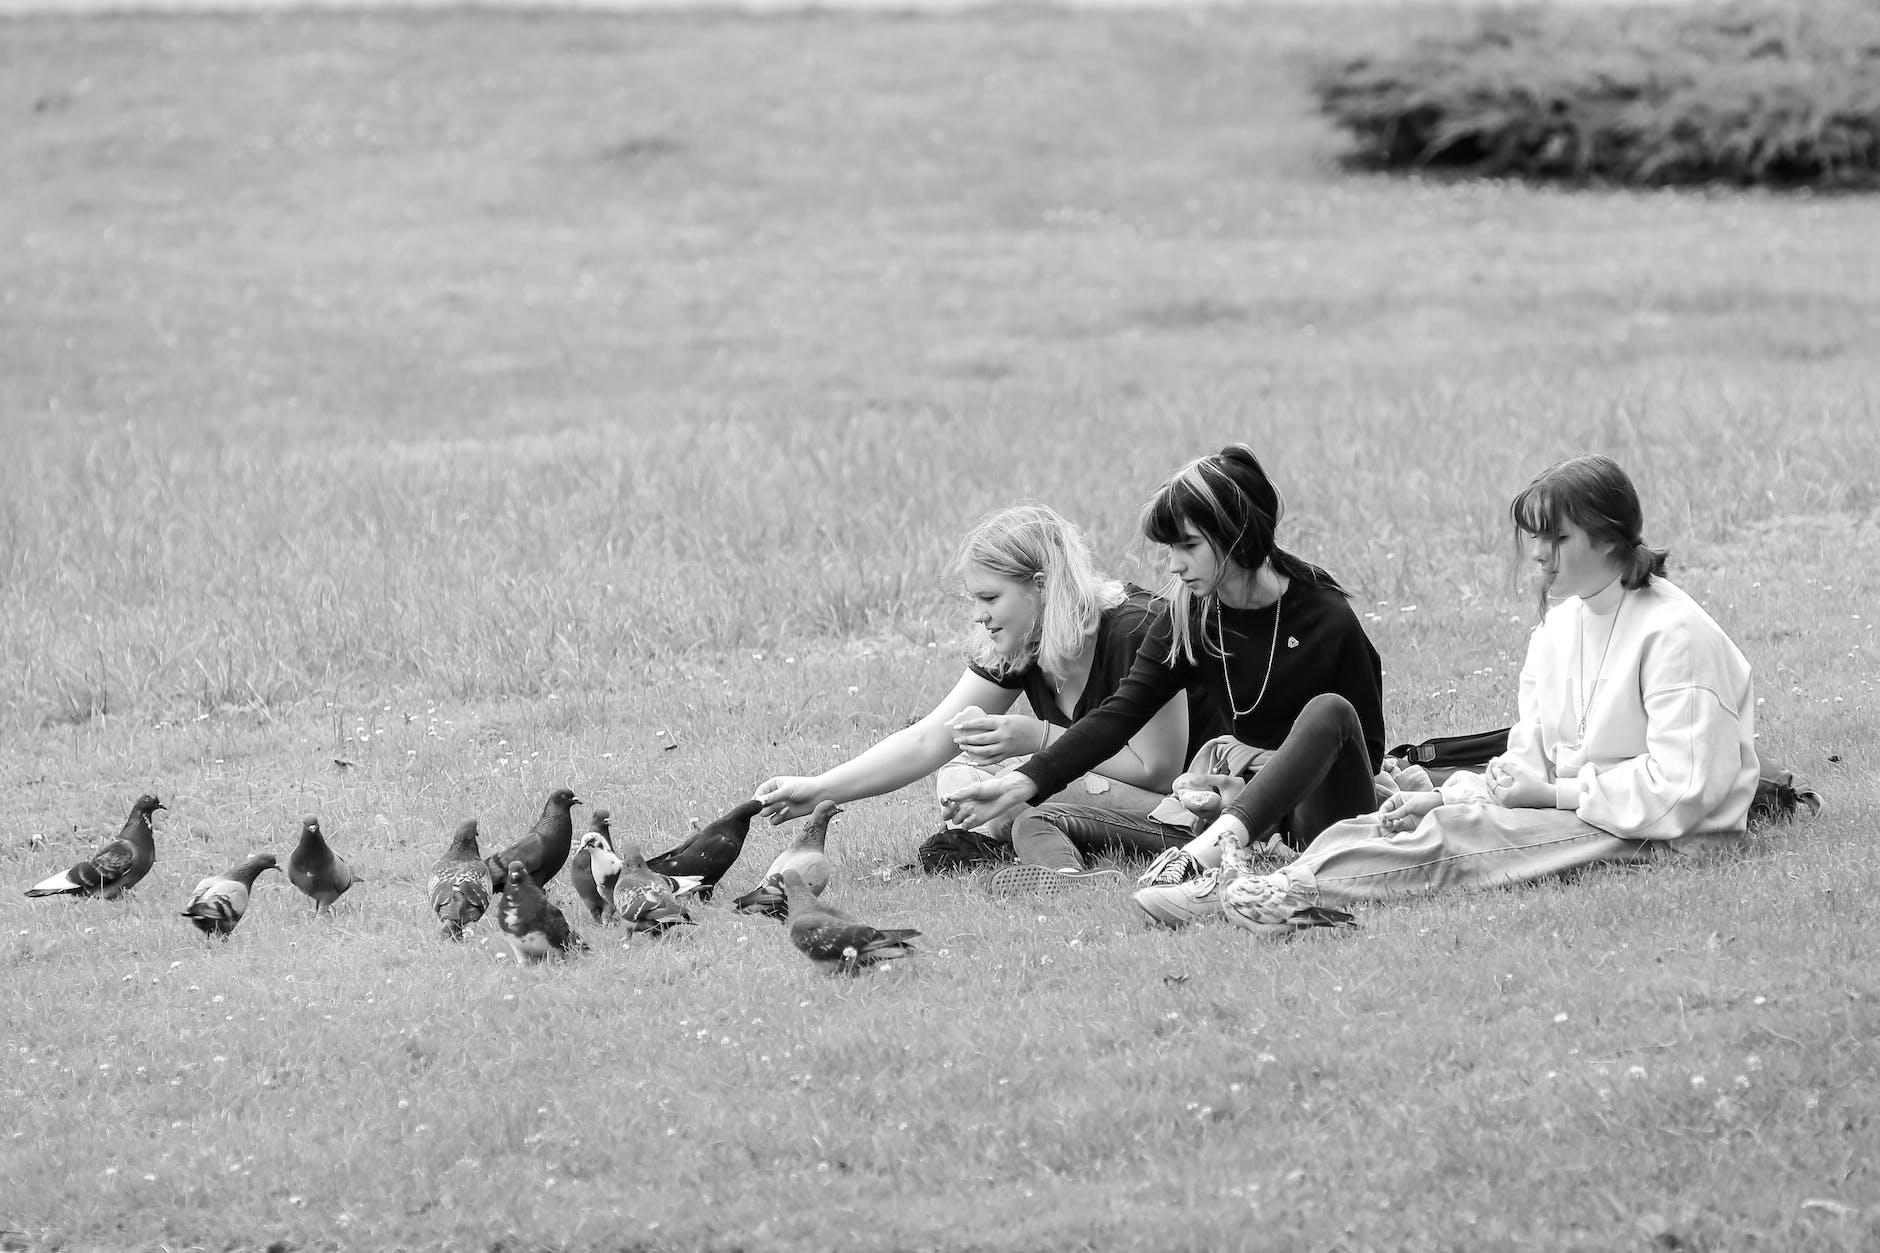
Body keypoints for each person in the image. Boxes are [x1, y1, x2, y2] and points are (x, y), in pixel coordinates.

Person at [1208, 453, 1758, 936]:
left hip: (1662, 832)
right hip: (1590, 812)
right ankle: (1267, 882)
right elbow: (1523, 766)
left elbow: (1684, 790)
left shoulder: (1676, 634)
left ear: (1611, 536)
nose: (1541, 555)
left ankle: (1295, 890)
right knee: (1412, 821)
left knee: (1462, 837)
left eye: (1559, 538)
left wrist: (1549, 797)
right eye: (1537, 538)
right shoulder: (1558, 629)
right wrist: (1445, 797)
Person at [941, 444, 1390, 914]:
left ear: (1236, 535)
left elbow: (1369, 752)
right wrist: (1020, 783)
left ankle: (1197, 861)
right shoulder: (1188, 616)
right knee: (1040, 817)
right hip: (1229, 812)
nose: (1174, 565)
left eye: (1189, 546)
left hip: (1323, 818)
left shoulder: (1326, 616)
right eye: (1170, 548)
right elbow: (1117, 716)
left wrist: (1267, 774)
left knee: (1330, 712)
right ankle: (1080, 876)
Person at [753, 503, 1212, 874]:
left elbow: (1157, 769)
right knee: (959, 778)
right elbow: (929, 739)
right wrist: (818, 790)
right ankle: (1038, 836)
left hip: (1184, 803)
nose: (978, 614)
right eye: (974, 598)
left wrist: (1035, 739)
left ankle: (1049, 855)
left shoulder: (1136, 628)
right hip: (1096, 787)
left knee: (1020, 793)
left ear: (1041, 588)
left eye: (990, 598)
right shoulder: (1024, 638)